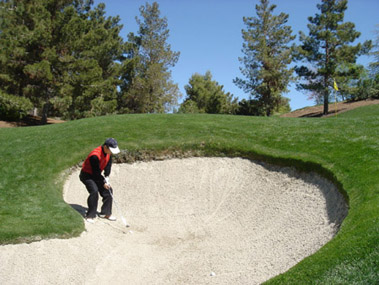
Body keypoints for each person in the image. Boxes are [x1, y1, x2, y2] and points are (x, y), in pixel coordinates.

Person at [79, 138, 120, 223]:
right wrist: (103, 182)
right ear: (105, 147)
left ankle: (105, 213)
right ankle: (90, 215)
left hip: (96, 175)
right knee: (94, 191)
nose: (112, 152)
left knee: (108, 191)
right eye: (111, 150)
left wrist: (107, 178)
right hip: (87, 175)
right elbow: (96, 172)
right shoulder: (95, 156)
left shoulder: (108, 153)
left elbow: (108, 165)